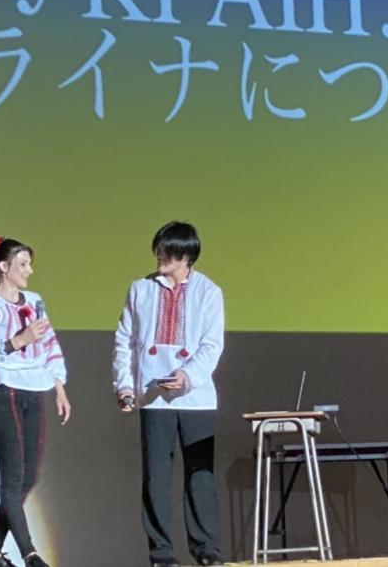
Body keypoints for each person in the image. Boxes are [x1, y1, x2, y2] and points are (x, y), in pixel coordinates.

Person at [113, 221, 226, 567]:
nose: (161, 256)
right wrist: (125, 385)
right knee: (156, 477)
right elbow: (125, 340)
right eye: (159, 248)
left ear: (186, 256)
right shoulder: (140, 289)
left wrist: (187, 376)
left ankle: (206, 549)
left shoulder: (209, 292)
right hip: (153, 396)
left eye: (169, 251)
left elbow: (211, 345)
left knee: (201, 475)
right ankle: (161, 553)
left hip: (197, 397)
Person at [0, 235, 70, 567]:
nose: (29, 270)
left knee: (29, 478)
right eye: (23, 264)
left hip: (34, 390)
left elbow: (50, 345)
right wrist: (17, 341)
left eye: (30, 264)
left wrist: (59, 387)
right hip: (5, 393)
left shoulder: (35, 301)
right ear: (4, 266)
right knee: (12, 478)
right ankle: (30, 554)